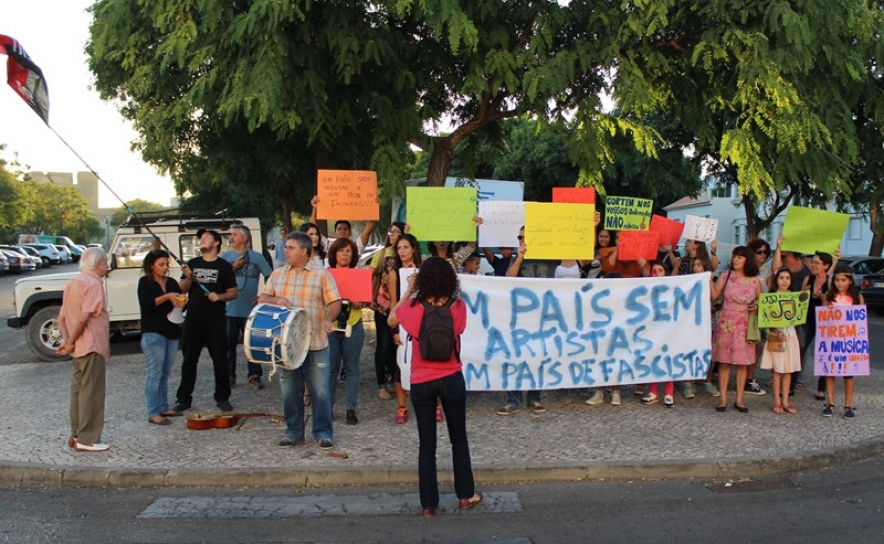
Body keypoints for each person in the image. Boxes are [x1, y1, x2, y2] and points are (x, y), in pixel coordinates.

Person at [388, 256, 483, 517]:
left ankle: (428, 504)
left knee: (426, 445)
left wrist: (410, 289)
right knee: (458, 439)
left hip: (421, 380)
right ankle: (465, 495)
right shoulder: (458, 307)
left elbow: (391, 320)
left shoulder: (414, 306)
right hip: (451, 376)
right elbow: (460, 330)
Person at [259, 231, 341, 449]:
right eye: (285, 247)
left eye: (290, 247)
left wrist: (329, 319)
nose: (285, 251)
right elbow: (262, 299)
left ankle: (323, 433)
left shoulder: (321, 275)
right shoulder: (277, 275)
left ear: (305, 251)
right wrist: (277, 299)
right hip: (286, 346)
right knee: (290, 392)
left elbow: (335, 302)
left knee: (321, 391)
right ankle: (293, 432)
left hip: (315, 343)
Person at [172, 229, 238, 413]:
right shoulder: (192, 264)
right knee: (189, 360)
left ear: (216, 243)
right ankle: (184, 399)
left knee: (220, 360)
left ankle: (222, 397)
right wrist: (187, 275)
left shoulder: (224, 266)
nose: (202, 239)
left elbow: (233, 292)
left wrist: (220, 296)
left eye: (206, 237)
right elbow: (182, 290)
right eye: (200, 237)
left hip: (215, 320)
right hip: (193, 319)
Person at [57, 247, 111, 452]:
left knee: (78, 391)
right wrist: (70, 341)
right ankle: (87, 439)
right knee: (92, 392)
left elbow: (62, 317)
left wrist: (67, 340)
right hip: (91, 345)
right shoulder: (94, 283)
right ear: (97, 264)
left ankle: (76, 433)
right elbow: (84, 316)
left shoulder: (73, 282)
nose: (107, 265)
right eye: (105, 262)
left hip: (78, 346)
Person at [498, 226, 555, 415]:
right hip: (519, 316)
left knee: (537, 356)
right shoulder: (517, 257)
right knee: (514, 356)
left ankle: (534, 397)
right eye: (519, 237)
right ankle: (512, 399)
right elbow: (509, 278)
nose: (521, 240)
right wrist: (520, 257)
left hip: (542, 315)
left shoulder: (550, 256)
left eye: (524, 237)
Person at [710, 245, 762, 413]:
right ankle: (723, 398)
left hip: (744, 323)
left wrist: (757, 306)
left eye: (740, 256)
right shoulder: (725, 276)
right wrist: (709, 279)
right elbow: (714, 295)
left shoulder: (754, 280)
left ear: (748, 259)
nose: (736, 259)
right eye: (735, 256)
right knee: (724, 362)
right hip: (726, 321)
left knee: (742, 363)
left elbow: (762, 301)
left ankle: (739, 398)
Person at [137, 249, 186, 425]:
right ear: (151, 266)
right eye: (161, 265)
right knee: (154, 373)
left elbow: (179, 302)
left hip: (171, 331)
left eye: (167, 264)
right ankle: (153, 411)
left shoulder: (172, 282)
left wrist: (181, 302)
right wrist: (166, 296)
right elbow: (146, 305)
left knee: (165, 373)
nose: (165, 268)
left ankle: (163, 406)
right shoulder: (145, 282)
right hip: (153, 332)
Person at [221, 224, 272, 389]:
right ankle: (229, 376)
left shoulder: (256, 257)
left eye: (235, 234)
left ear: (245, 237)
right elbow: (217, 278)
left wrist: (263, 296)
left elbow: (271, 276)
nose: (231, 237)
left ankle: (255, 374)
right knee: (228, 344)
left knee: (252, 343)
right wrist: (232, 268)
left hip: (250, 309)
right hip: (229, 309)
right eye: (231, 235)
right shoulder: (225, 257)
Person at [327, 237, 366, 425]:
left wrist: (360, 302)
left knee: (352, 368)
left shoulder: (359, 274)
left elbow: (366, 301)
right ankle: (328, 407)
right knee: (330, 369)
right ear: (334, 253)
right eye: (341, 250)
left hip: (354, 324)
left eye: (348, 251)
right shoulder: (325, 275)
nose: (344, 254)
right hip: (331, 327)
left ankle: (351, 408)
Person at [820, 264, 864, 419]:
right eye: (837, 280)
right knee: (830, 372)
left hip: (849, 341)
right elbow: (823, 318)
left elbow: (860, 321)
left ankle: (848, 405)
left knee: (848, 374)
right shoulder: (828, 296)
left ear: (850, 281)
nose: (840, 283)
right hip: (832, 340)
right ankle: (830, 403)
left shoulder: (857, 297)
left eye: (843, 280)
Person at [389, 233, 423, 424]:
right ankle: (402, 407)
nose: (402, 251)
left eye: (406, 247)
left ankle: (433, 405)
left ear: (413, 249)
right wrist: (394, 331)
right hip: (402, 324)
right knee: (400, 366)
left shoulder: (423, 270)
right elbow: (393, 303)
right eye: (399, 248)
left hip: (422, 324)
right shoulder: (394, 274)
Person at [760, 268, 802, 415]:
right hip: (776, 336)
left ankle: (786, 401)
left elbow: (799, 317)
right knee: (777, 370)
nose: (784, 281)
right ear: (776, 280)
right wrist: (775, 331)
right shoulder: (771, 297)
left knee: (788, 370)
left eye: (787, 278)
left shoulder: (795, 297)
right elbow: (765, 320)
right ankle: (777, 401)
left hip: (791, 336)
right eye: (781, 278)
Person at [372, 222, 407, 401]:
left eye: (397, 232)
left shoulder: (407, 256)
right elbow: (371, 275)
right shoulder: (381, 254)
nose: (393, 234)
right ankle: (381, 385)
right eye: (391, 231)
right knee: (383, 345)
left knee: (397, 347)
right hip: (383, 307)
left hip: (404, 308)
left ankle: (396, 380)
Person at [802, 250, 835, 401]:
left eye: (816, 262)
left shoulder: (831, 282)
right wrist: (805, 294)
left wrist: (823, 298)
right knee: (801, 348)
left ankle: (822, 389)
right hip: (808, 318)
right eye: (812, 262)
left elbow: (834, 304)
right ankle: (792, 384)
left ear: (826, 266)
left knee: (825, 353)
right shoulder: (808, 279)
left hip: (826, 320)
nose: (813, 265)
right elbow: (800, 300)